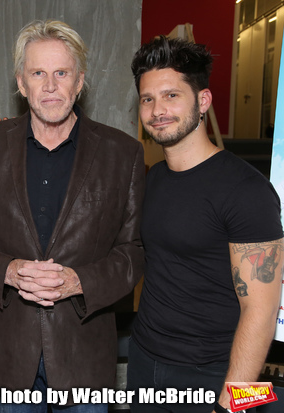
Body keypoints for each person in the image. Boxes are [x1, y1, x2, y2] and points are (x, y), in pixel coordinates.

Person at [0, 19, 145, 412]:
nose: (50, 86)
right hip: (6, 352)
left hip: (83, 353)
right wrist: (7, 271)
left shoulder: (122, 153)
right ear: (21, 83)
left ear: (80, 81)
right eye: (38, 73)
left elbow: (134, 251)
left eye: (62, 73)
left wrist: (79, 282)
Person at [127, 36, 283, 413]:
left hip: (214, 373)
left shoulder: (246, 190)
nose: (157, 110)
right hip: (145, 360)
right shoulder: (154, 178)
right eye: (148, 99)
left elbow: (261, 312)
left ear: (203, 101)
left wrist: (235, 402)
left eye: (171, 96)